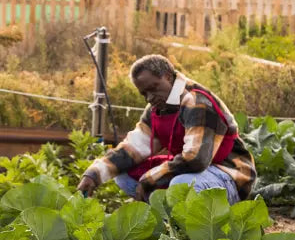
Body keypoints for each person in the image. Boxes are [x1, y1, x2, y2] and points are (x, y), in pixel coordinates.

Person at [77, 54, 255, 204]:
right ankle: (168, 218)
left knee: (181, 183)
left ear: (169, 77)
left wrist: (149, 179)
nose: (149, 98)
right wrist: (94, 174)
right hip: (198, 173)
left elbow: (196, 159)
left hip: (229, 175)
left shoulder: (197, 102)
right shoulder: (158, 108)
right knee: (123, 175)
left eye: (153, 88)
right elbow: (133, 149)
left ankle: (201, 220)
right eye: (144, 93)